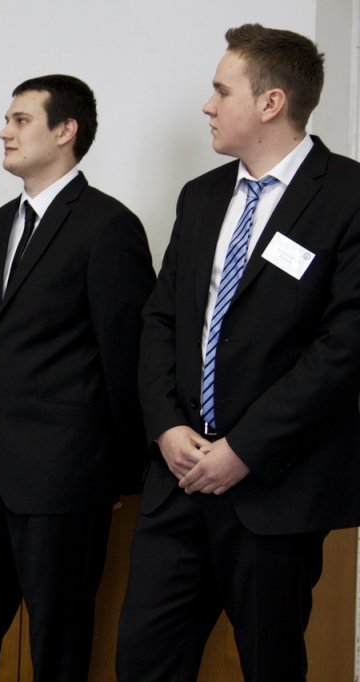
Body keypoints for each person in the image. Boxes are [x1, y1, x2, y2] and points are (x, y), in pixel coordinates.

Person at [117, 24, 360, 682]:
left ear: (271, 102)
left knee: (270, 666)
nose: (208, 105)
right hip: (178, 482)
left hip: (275, 489)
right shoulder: (200, 197)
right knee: (142, 661)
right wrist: (167, 427)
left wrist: (244, 449)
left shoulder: (347, 195)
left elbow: (345, 348)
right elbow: (160, 320)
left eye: (222, 91)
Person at [0, 75, 155, 681]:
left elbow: (125, 356)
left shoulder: (108, 225)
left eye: (21, 120)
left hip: (64, 474)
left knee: (58, 648)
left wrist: (120, 471)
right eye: (6, 120)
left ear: (66, 131)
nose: (4, 132)